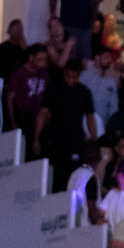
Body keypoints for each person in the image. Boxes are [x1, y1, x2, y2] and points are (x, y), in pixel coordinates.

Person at [34, 59, 97, 192]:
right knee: (55, 175)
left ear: (79, 75)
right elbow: (43, 114)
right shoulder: (53, 89)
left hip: (75, 140)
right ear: (64, 73)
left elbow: (90, 118)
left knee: (73, 175)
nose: (70, 80)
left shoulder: (84, 92)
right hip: (55, 139)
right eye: (68, 76)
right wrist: (36, 138)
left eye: (74, 77)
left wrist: (94, 140)